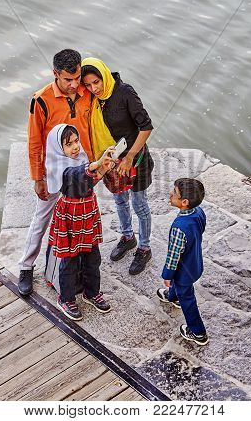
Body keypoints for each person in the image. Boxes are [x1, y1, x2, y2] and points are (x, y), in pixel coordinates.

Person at [18, 49, 93, 296]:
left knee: (81, 218)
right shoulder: (41, 100)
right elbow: (34, 142)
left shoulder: (87, 91)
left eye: (76, 77)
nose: (74, 84)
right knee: (41, 219)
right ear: (55, 74)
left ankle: (76, 267)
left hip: (81, 170)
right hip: (53, 173)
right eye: (67, 79)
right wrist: (38, 178)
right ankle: (26, 267)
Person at [81, 58, 154, 275]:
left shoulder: (124, 93)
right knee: (120, 201)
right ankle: (128, 237)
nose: (94, 88)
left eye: (97, 82)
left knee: (139, 205)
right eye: (89, 85)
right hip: (112, 162)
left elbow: (146, 127)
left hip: (135, 160)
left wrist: (130, 157)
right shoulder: (95, 100)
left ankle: (144, 247)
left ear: (104, 76)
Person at [46, 124, 113, 320]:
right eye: (69, 144)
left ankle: (91, 292)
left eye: (76, 141)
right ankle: (66, 298)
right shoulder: (59, 165)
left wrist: (101, 170)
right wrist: (96, 163)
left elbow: (87, 182)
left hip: (88, 211)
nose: (75, 147)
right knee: (70, 259)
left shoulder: (82, 159)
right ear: (59, 148)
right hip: (70, 216)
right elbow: (73, 175)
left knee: (93, 256)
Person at [157, 178, 209, 346]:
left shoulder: (179, 227)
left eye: (175, 193)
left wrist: (167, 275)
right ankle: (173, 296)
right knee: (179, 288)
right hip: (195, 262)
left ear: (184, 202)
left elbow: (173, 258)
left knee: (188, 299)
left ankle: (198, 332)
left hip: (184, 271)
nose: (170, 194)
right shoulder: (199, 212)